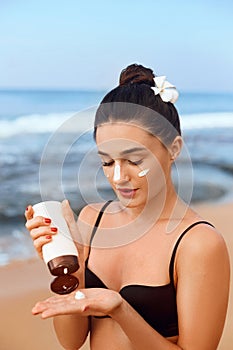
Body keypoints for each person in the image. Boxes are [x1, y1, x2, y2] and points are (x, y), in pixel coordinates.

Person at [25, 64, 230, 350]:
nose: (118, 177)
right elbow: (71, 341)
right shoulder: (92, 221)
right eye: (107, 162)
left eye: (134, 160)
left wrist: (120, 310)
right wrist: (73, 265)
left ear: (173, 148)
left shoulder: (198, 243)